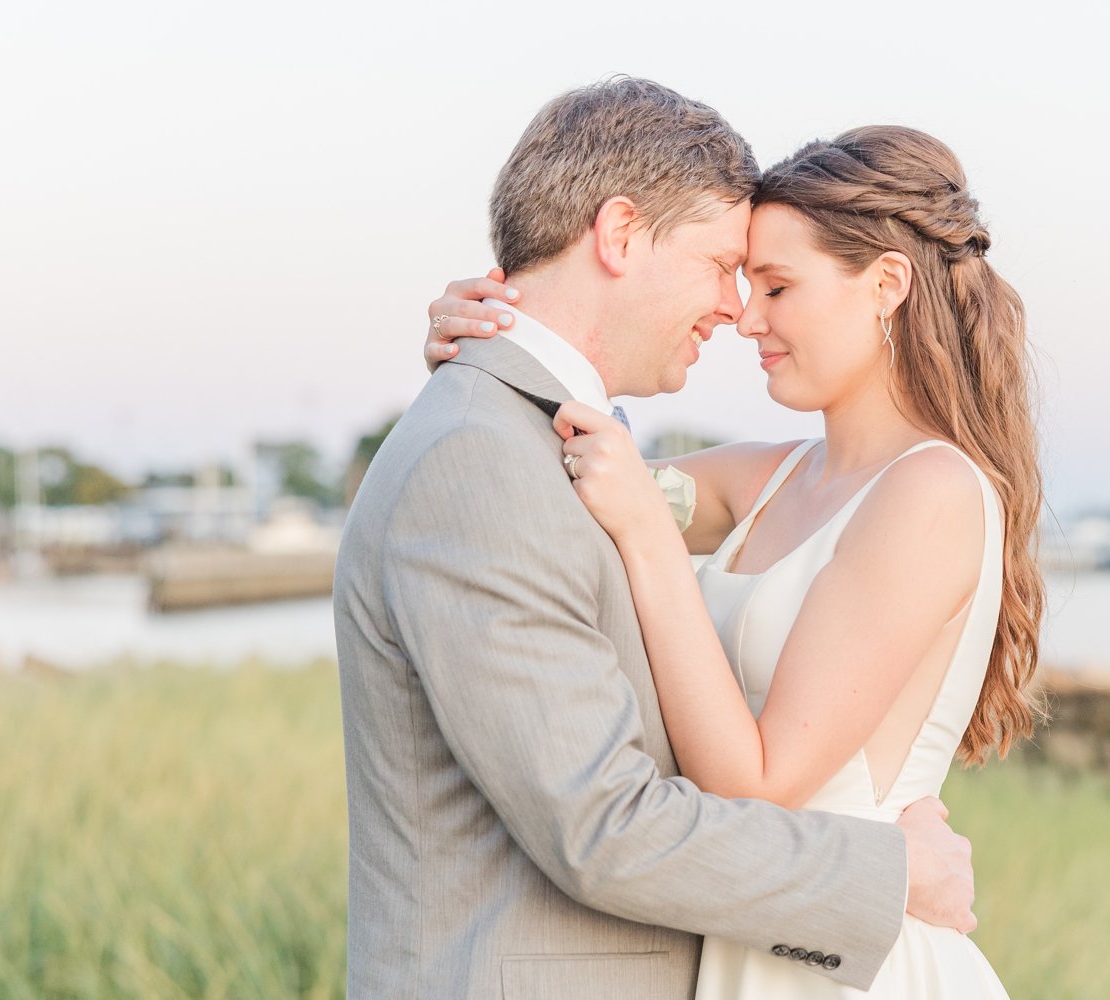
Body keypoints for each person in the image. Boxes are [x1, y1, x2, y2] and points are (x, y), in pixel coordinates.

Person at [334, 78, 976, 1000]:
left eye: (770, 283)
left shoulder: (545, 443)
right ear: (621, 233)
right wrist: (894, 873)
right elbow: (600, 827)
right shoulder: (479, 456)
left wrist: (496, 352)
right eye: (724, 264)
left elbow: (651, 504)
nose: (735, 309)